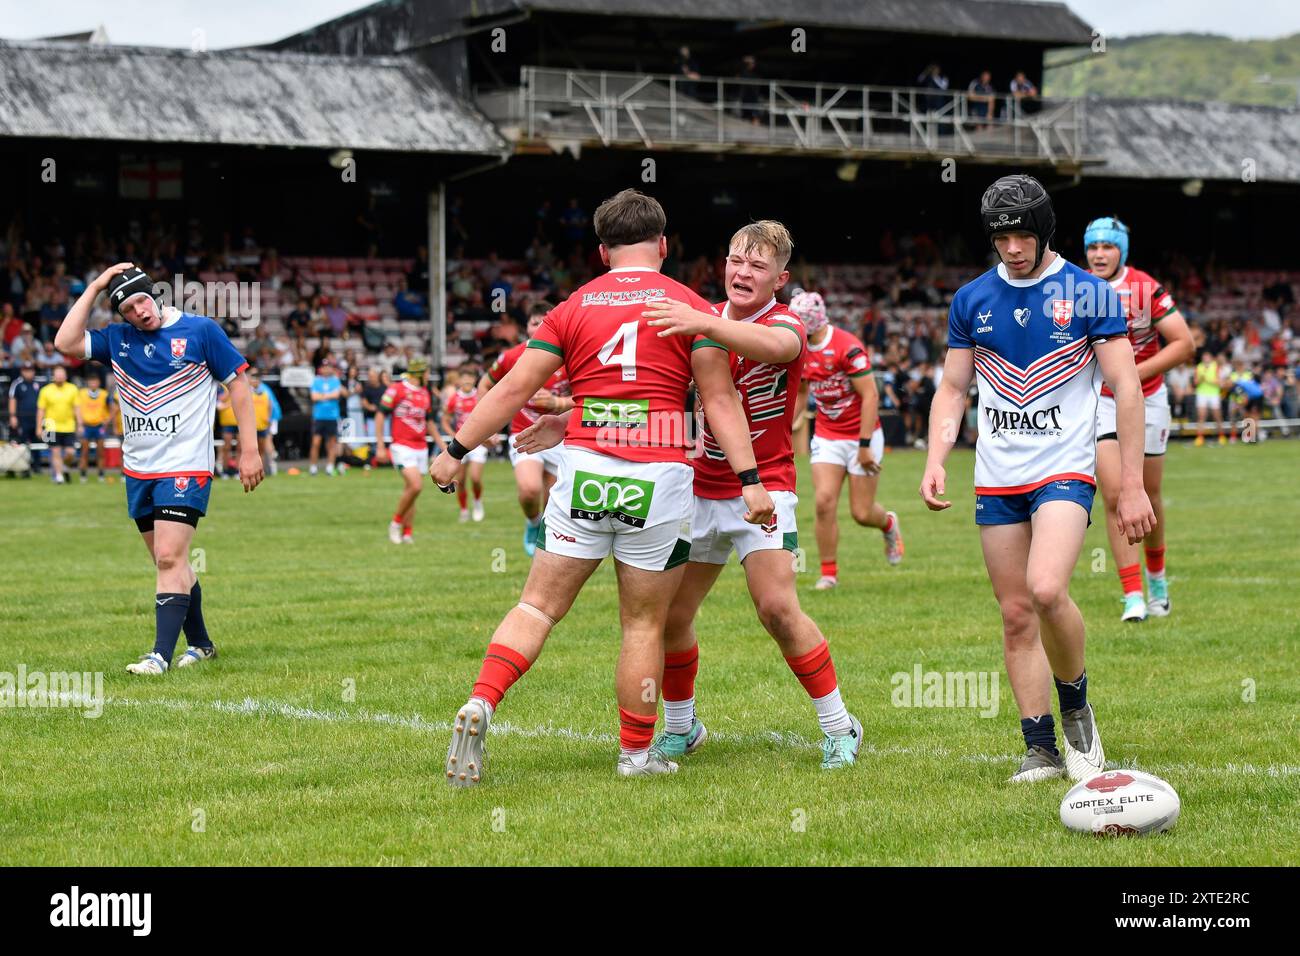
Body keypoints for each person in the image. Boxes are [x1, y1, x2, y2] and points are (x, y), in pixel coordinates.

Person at [431, 188, 771, 784]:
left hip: (584, 472)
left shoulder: (573, 307)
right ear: (664, 245)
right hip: (658, 479)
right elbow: (719, 400)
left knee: (536, 605)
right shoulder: (691, 308)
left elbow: (511, 390)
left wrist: (456, 448)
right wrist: (749, 481)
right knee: (642, 624)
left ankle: (482, 699)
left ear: (601, 251)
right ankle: (636, 755)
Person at [920, 175, 1154, 783]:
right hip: (997, 476)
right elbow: (952, 388)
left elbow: (1126, 387)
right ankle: (1040, 746)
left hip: (1064, 470)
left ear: (1045, 231)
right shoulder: (970, 299)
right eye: (1002, 235)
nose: (1013, 247)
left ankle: (1076, 709)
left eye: (1023, 234)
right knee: (1016, 612)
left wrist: (1131, 483)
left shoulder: (1091, 293)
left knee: (1047, 589)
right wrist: (935, 457)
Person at [637, 220, 864, 769]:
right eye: (736, 260)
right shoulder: (703, 317)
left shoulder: (784, 323)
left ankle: (840, 725)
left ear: (779, 279)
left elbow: (777, 345)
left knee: (777, 609)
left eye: (758, 266)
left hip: (766, 487)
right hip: (697, 489)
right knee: (671, 616)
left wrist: (699, 320)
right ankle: (682, 728)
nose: (743, 272)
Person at [53, 264, 263, 674]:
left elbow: (238, 384)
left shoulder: (200, 331)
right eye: (129, 308)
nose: (140, 312)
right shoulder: (118, 339)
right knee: (172, 562)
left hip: (186, 465)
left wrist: (250, 451)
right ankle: (201, 645)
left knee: (169, 556)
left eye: (143, 301)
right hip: (139, 469)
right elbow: (65, 342)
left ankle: (159, 656)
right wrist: (96, 285)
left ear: (156, 296)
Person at [1084, 217, 1194, 622]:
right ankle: (1132, 594)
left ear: (1121, 251)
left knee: (1147, 494)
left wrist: (1133, 375)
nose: (1099, 254)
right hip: (1103, 401)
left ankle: (1158, 580)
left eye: (1107, 247)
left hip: (1147, 399)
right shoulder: (1076, 288)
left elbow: (1184, 343)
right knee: (1114, 494)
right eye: (1093, 246)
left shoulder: (1144, 287)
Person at [794, 291, 904, 589]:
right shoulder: (799, 348)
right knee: (823, 502)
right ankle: (828, 573)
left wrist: (865, 447)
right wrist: (789, 423)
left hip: (861, 435)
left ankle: (889, 524)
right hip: (828, 434)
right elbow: (803, 390)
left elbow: (871, 396)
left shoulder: (848, 347)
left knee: (861, 513)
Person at [480, 300, 573, 555]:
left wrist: (559, 402)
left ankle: (546, 539)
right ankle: (532, 523)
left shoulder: (572, 356)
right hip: (524, 434)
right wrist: (485, 428)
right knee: (529, 490)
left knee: (553, 499)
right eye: (535, 322)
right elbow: (484, 385)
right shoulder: (512, 356)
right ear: (528, 329)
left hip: (559, 437)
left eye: (547, 321)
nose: (541, 326)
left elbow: (590, 397)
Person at [374, 357, 445, 544]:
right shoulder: (396, 390)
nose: (429, 377)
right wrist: (380, 445)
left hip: (421, 447)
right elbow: (380, 415)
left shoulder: (424, 393)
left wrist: (445, 447)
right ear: (420, 374)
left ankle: (407, 533)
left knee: (412, 491)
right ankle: (395, 524)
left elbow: (429, 423)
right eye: (428, 373)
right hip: (401, 446)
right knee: (415, 485)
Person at [441, 366, 491, 522]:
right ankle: (463, 510)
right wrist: (453, 435)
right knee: (460, 480)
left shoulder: (481, 396)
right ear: (459, 381)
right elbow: (445, 421)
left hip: (479, 443)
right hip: (461, 444)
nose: (467, 381)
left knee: (475, 478)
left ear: (475, 380)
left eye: (470, 378)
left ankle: (477, 502)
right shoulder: (454, 398)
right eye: (464, 378)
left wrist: (491, 434)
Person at [37, 363, 79, 484]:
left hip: (69, 425)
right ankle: (59, 476)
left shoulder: (73, 388)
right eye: (57, 374)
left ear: (65, 376)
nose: (60, 376)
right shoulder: (45, 390)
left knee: (70, 453)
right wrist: (39, 427)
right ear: (53, 376)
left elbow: (77, 407)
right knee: (55, 451)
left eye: (62, 374)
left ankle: (65, 467)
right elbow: (41, 410)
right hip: (51, 426)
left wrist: (80, 423)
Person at [76, 368, 114, 482]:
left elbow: (112, 408)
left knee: (100, 452)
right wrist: (79, 423)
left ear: (98, 382)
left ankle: (101, 475)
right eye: (91, 381)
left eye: (95, 381)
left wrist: (107, 420)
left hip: (99, 426)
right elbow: (77, 408)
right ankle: (83, 475)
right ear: (88, 382)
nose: (93, 383)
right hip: (86, 426)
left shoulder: (104, 394)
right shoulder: (82, 393)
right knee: (84, 451)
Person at [8, 360, 43, 473]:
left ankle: (37, 466)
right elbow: (12, 400)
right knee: (22, 444)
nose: (29, 373)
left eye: (31, 370)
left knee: (37, 443)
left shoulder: (38, 384)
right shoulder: (17, 384)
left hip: (36, 418)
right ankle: (23, 467)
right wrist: (13, 416)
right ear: (22, 371)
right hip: (23, 418)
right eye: (26, 371)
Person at [309, 360, 342, 475]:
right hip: (319, 416)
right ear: (321, 369)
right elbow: (313, 397)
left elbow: (337, 394)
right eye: (324, 366)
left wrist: (322, 395)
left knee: (331, 443)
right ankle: (313, 467)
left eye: (328, 366)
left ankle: (330, 466)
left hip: (332, 416)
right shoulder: (316, 381)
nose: (326, 369)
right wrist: (329, 395)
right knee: (316, 442)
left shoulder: (336, 380)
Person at [247, 367, 279, 476]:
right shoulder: (252, 389)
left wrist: (269, 419)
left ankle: (271, 464)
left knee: (267, 442)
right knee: (264, 444)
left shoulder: (264, 390)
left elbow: (270, 406)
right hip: (260, 421)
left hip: (268, 419)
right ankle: (269, 464)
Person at [1193, 350, 1227, 445]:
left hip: (1213, 394)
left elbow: (1220, 382)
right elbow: (1195, 382)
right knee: (1201, 416)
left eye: (1207, 357)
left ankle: (1221, 436)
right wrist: (1200, 379)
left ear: (1210, 358)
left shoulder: (1216, 367)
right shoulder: (1198, 367)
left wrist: (1208, 380)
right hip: (1201, 393)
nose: (1205, 358)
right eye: (1204, 357)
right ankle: (1200, 437)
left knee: (1217, 416)